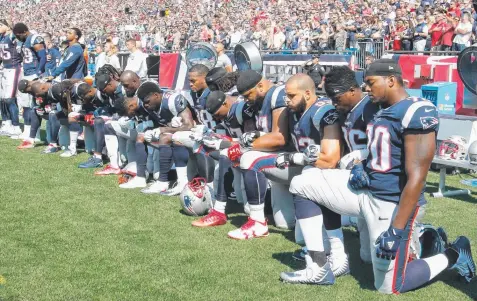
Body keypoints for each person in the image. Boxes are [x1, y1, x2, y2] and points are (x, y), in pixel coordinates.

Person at [281, 59, 476, 293]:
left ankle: (453, 253)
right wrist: (363, 165)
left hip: (390, 201)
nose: (366, 89)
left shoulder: (417, 111)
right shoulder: (381, 110)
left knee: (390, 285)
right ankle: (319, 265)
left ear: (391, 80)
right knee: (304, 182)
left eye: (371, 83)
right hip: (366, 191)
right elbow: (383, 153)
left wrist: (395, 230)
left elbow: (417, 178)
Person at [13, 23, 47, 146]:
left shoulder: (34, 38)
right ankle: (28, 131)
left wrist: (38, 73)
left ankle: (36, 134)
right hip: (26, 72)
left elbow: (42, 57)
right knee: (26, 104)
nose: (17, 37)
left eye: (18, 35)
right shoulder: (22, 41)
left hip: (34, 74)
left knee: (35, 106)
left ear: (24, 32)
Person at [0, 19, 22, 137]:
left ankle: (16, 126)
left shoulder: (12, 36)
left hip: (13, 68)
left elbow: (18, 33)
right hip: (5, 69)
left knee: (10, 98)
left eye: (1, 25)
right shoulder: (2, 37)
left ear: (7, 26)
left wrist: (10, 24)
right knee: (3, 99)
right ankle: (7, 123)